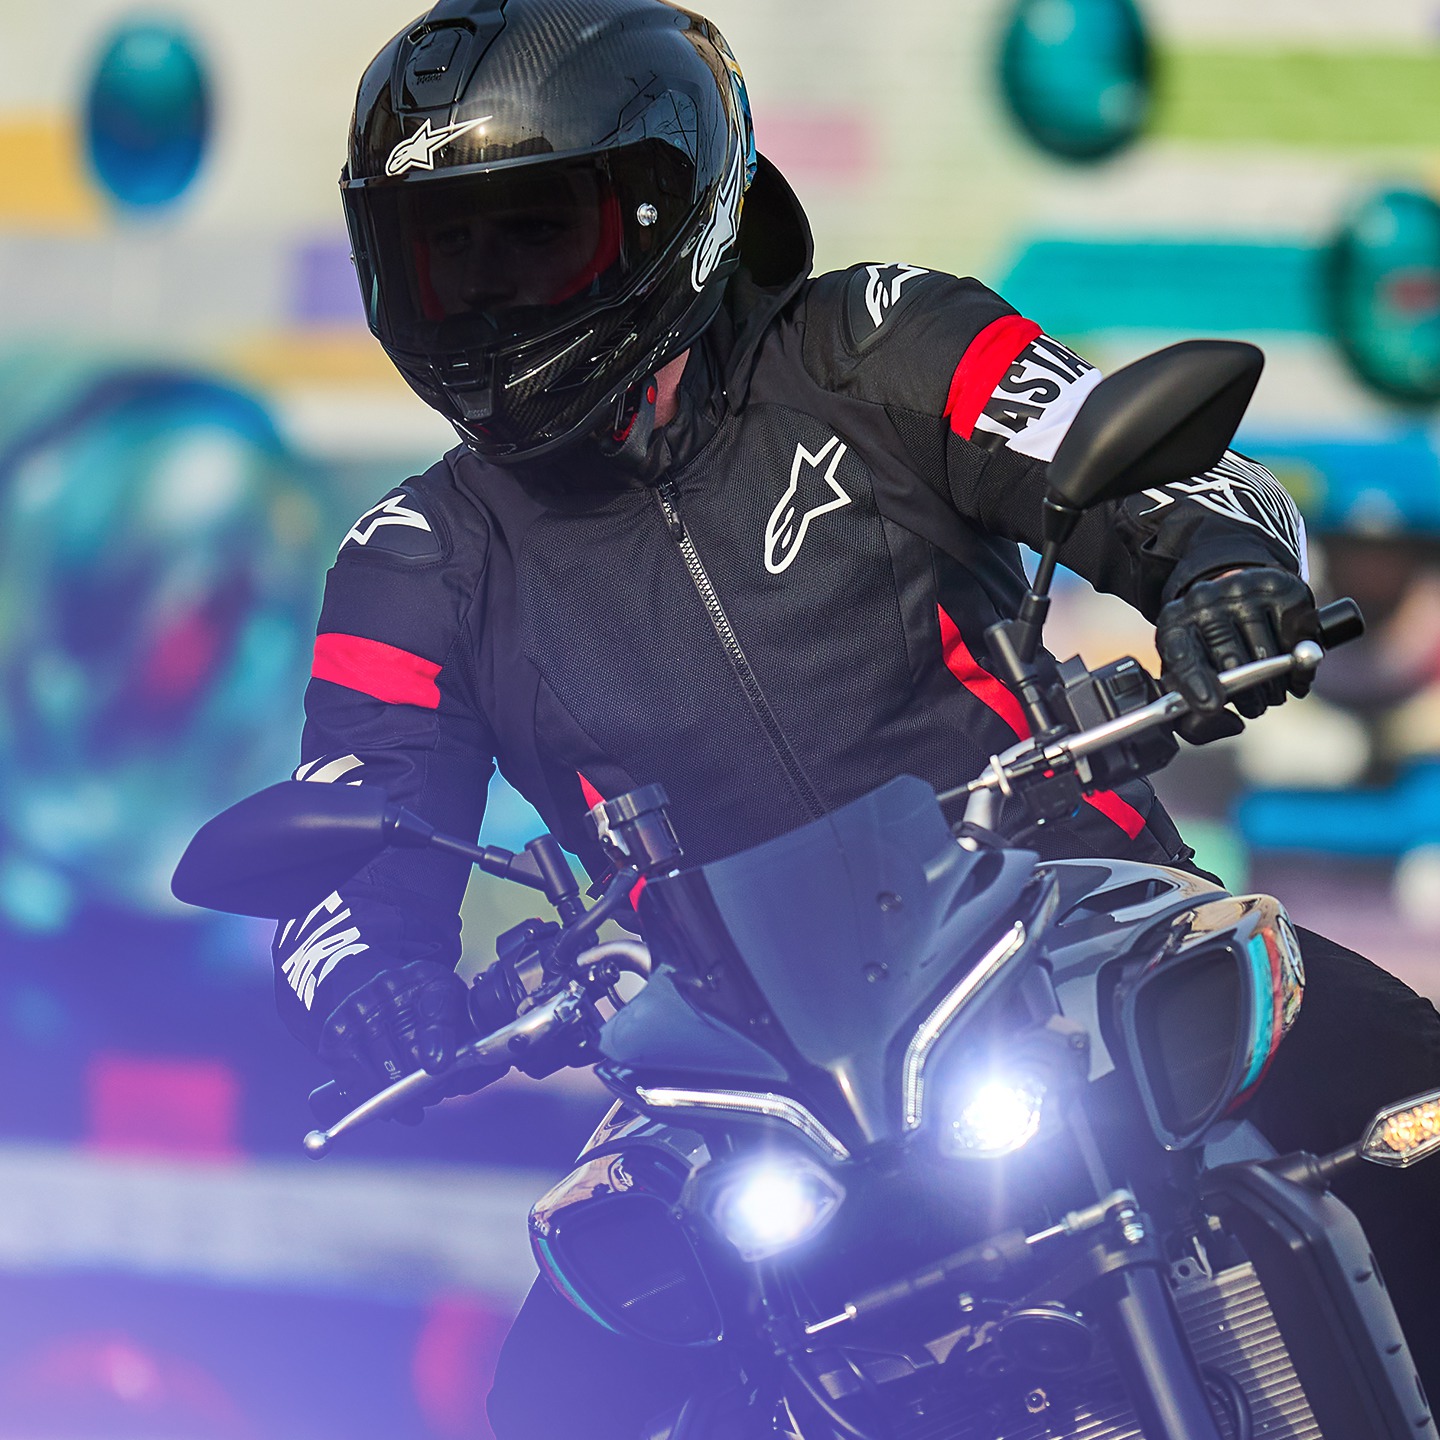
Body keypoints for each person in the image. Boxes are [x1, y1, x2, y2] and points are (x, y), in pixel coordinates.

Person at [274, 0, 1440, 1432]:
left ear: (665, 209)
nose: (492, 291)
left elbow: (1168, 474)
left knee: (1405, 1099)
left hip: (1067, 927)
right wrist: (372, 985)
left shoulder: (882, 337)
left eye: (535, 233)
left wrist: (1223, 578)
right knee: (552, 1403)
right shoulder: (413, 560)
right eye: (448, 252)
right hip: (724, 1076)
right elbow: (344, 852)